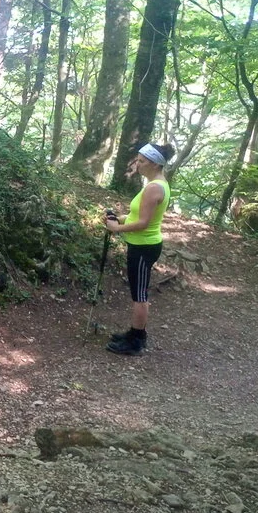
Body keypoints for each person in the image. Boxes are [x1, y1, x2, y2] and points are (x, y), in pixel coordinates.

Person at [103, 143, 174, 356]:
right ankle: (135, 333)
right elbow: (140, 215)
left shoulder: (154, 187)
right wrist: (120, 217)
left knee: (139, 294)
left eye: (142, 161)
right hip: (142, 244)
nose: (138, 164)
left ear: (154, 163)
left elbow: (143, 223)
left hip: (144, 246)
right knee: (137, 291)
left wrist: (117, 228)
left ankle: (136, 342)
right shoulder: (155, 183)